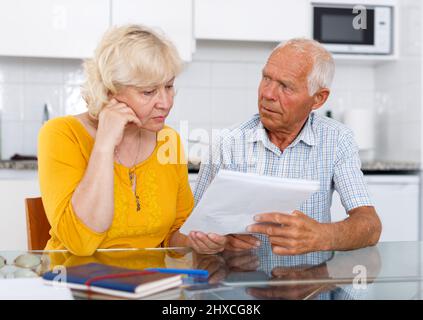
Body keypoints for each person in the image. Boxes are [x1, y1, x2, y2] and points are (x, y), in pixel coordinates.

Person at [38, 24, 227, 256]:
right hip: (76, 283)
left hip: (149, 286)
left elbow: (176, 233)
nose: (166, 102)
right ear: (109, 91)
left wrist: (196, 240)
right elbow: (80, 243)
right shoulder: (61, 133)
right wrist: (104, 145)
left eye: (169, 86)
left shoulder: (168, 140)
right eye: (148, 92)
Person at [194, 38, 382, 255]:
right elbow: (191, 229)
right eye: (266, 78)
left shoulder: (337, 139)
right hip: (240, 281)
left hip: (311, 281)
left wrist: (322, 235)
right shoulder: (228, 141)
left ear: (318, 99)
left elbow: (370, 226)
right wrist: (218, 241)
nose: (268, 94)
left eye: (285, 86)